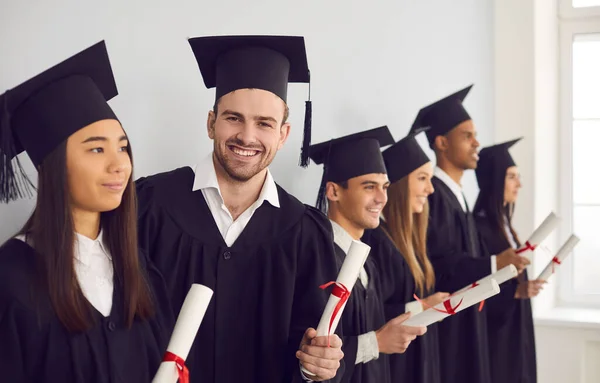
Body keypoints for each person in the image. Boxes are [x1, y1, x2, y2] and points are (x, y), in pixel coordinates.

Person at [136, 35, 343, 382]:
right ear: (210, 123)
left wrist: (315, 368)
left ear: (284, 134)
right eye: (234, 118)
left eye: (264, 123)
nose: (247, 137)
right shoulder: (150, 205)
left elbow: (310, 348)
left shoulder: (306, 232)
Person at [0, 41, 172, 382]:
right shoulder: (9, 279)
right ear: (52, 166)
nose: (119, 165)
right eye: (96, 149)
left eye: (123, 148)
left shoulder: (136, 266)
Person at [408, 85, 529, 383]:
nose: (477, 143)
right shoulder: (434, 199)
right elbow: (441, 265)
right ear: (441, 142)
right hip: (450, 334)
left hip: (469, 324)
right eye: (467, 136)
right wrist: (493, 263)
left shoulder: (457, 196)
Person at [309, 126, 427, 383]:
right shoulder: (319, 260)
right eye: (369, 187)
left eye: (384, 186)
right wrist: (376, 342)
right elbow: (310, 354)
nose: (382, 198)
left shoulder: (367, 262)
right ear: (334, 191)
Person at [377, 128, 449, 383]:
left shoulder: (412, 241)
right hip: (394, 367)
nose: (430, 189)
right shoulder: (376, 241)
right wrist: (425, 306)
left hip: (420, 361)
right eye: (422, 178)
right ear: (397, 185)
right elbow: (373, 313)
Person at [474, 138, 543, 383]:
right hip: (498, 335)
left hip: (516, 325)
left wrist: (524, 288)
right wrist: (515, 292)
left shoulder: (504, 224)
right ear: (495, 180)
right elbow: (476, 285)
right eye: (512, 176)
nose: (519, 184)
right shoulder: (478, 227)